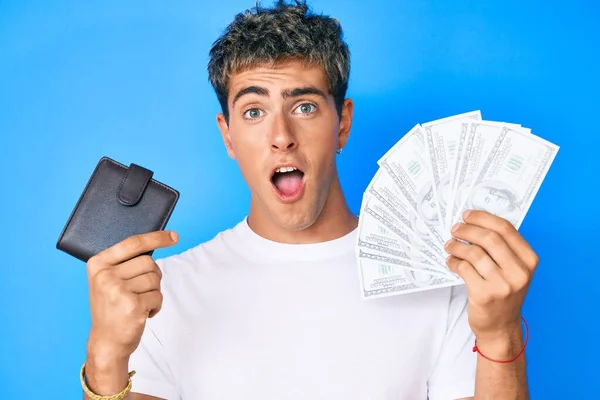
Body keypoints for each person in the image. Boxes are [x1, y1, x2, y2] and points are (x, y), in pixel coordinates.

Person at [80, 1, 538, 399]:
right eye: (254, 111)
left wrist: (499, 335)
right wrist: (105, 354)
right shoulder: (164, 293)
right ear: (228, 135)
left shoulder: (446, 281)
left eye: (305, 106)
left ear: (342, 123)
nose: (281, 137)